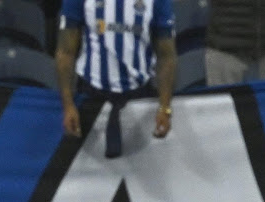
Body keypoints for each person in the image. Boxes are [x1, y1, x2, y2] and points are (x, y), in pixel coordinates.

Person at [55, 0, 177, 157]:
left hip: (139, 95)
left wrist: (165, 107)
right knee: (90, 173)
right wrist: (68, 105)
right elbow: (65, 51)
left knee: (140, 166)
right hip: (91, 94)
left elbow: (167, 56)